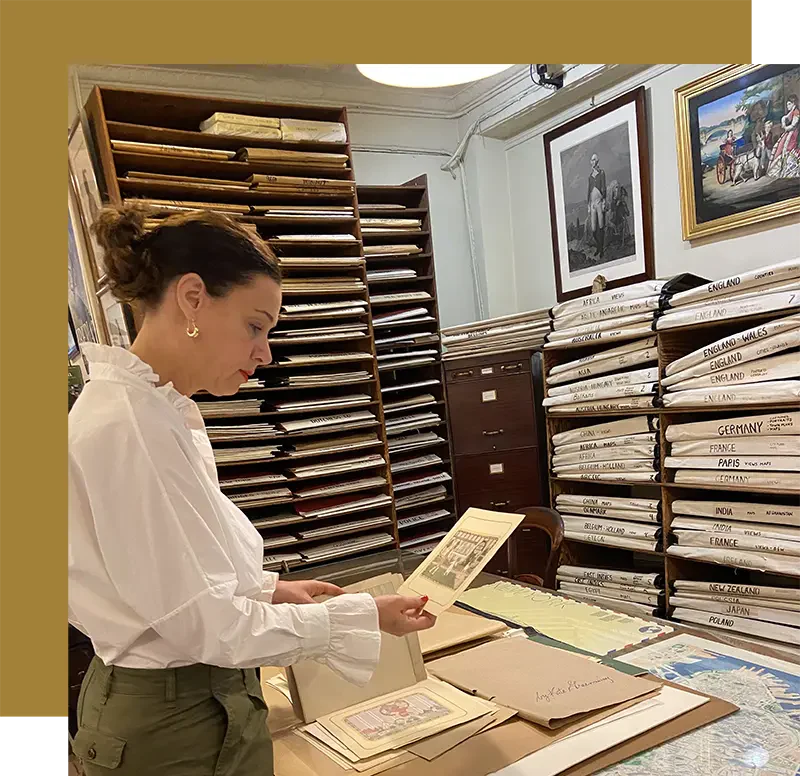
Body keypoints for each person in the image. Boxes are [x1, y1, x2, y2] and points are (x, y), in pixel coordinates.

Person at [68, 206, 436, 776]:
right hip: (172, 719)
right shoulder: (129, 425)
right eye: (255, 326)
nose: (264, 353)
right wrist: (361, 615)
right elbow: (205, 623)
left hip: (193, 698)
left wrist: (269, 590)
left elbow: (181, 572)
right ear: (193, 298)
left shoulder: (159, 410)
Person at [767, 94, 800, 179]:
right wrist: (783, 121)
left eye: (789, 104)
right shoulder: (792, 111)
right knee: (780, 147)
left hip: (794, 134)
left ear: (793, 104)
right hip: (790, 133)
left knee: (787, 148)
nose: (787, 106)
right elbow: (785, 118)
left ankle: (790, 170)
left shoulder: (796, 112)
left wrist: (785, 127)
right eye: (787, 104)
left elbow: (793, 126)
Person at [586, 153, 606, 257]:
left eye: (594, 160)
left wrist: (604, 202)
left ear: (597, 161)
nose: (592, 161)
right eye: (591, 160)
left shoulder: (601, 173)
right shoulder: (590, 177)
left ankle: (601, 250)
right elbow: (588, 190)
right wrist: (588, 205)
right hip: (592, 204)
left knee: (601, 226)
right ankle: (599, 246)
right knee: (594, 229)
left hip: (599, 202)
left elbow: (603, 187)